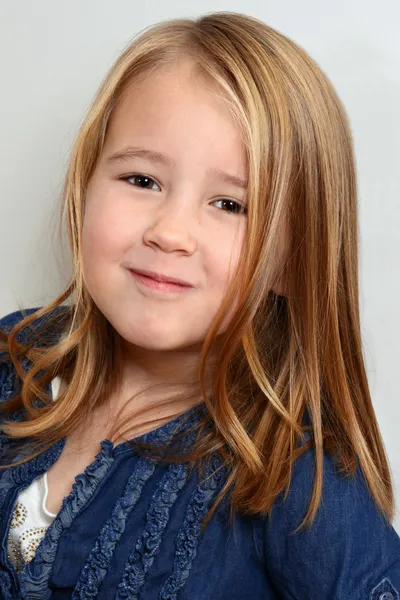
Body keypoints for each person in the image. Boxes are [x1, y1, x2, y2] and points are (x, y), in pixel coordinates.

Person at [0, 11, 399, 600]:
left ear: (294, 259)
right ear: (86, 184)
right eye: (142, 180)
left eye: (230, 205)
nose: (171, 232)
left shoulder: (296, 477)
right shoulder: (17, 357)